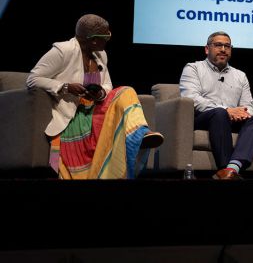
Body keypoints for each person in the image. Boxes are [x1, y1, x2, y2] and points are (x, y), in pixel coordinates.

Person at [26, 14, 163, 179]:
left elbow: (108, 85)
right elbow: (33, 79)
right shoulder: (63, 51)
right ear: (93, 40)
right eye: (106, 36)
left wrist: (100, 92)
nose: (108, 40)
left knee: (126, 91)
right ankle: (136, 135)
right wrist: (66, 87)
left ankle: (139, 133)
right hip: (73, 115)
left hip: (95, 109)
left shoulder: (101, 55)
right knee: (126, 92)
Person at [179, 31, 253, 180]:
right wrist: (227, 111)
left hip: (232, 120)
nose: (223, 49)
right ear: (207, 49)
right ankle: (224, 167)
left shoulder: (240, 75)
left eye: (227, 46)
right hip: (203, 118)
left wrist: (243, 114)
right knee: (220, 113)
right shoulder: (193, 68)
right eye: (218, 45)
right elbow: (191, 98)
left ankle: (231, 169)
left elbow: (249, 105)